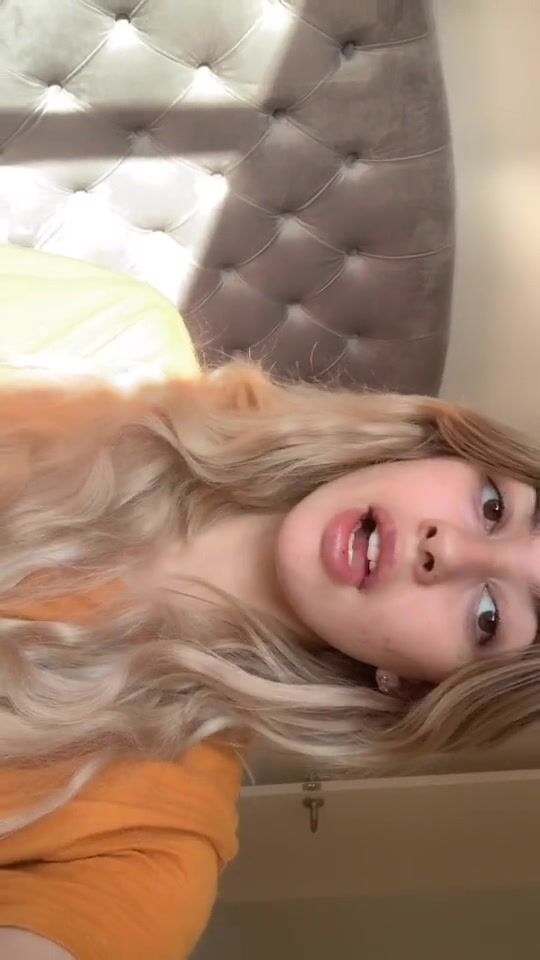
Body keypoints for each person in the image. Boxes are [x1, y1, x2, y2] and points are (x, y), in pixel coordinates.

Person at [0, 244, 539, 958]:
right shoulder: (121, 340)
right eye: (495, 507)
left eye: (488, 617)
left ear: (415, 686)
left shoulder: (150, 847)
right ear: (443, 450)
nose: (451, 550)